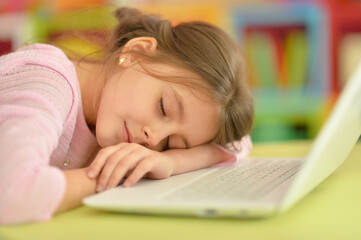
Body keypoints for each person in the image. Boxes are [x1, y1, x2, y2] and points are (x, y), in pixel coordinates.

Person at [0, 7, 253, 224]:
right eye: (163, 108)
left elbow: (238, 144)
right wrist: (122, 172)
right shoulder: (47, 83)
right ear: (136, 52)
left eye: (172, 142)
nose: (154, 140)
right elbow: (11, 194)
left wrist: (172, 162)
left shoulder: (115, 114)